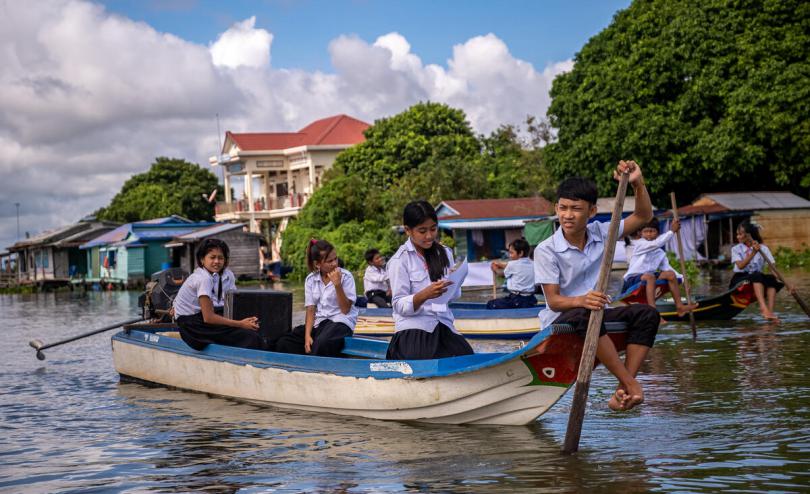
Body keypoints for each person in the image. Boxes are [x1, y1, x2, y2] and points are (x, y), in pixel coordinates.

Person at [534, 161, 660, 411]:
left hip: (595, 313)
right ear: (556, 208)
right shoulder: (546, 249)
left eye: (576, 209)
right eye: (563, 208)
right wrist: (582, 300)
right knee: (586, 312)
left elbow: (644, 216)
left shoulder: (604, 232)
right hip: (563, 321)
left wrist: (637, 183)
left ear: (591, 212)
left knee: (647, 314)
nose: (568, 215)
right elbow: (554, 301)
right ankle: (630, 383)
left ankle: (623, 388)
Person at [386, 200, 474, 360]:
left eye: (433, 229)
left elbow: (453, 297)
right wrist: (424, 295)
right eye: (422, 231)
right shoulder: (400, 260)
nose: (429, 236)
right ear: (408, 230)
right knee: (424, 357)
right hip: (414, 328)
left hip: (443, 324)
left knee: (467, 357)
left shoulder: (445, 253)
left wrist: (455, 281)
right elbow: (398, 305)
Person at [173, 238, 270, 351]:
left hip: (202, 318)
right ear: (202, 260)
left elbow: (232, 303)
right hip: (193, 326)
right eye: (212, 257)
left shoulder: (227, 275)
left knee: (253, 323)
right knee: (249, 337)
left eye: (220, 258)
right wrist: (240, 324)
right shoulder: (203, 279)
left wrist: (244, 320)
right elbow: (208, 318)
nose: (217, 261)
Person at [275, 239, 358, 357]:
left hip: (341, 322)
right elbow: (310, 310)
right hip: (319, 323)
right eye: (330, 261)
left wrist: (338, 285)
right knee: (284, 342)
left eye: (336, 259)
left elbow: (345, 310)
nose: (335, 263)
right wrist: (307, 336)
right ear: (318, 264)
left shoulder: (346, 276)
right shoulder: (311, 279)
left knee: (322, 343)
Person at [621, 218, 698, 318]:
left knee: (670, 274)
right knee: (650, 277)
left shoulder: (659, 252)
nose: (649, 234)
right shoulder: (640, 244)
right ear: (641, 233)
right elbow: (657, 243)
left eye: (652, 231)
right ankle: (653, 311)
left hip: (648, 276)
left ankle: (679, 306)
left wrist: (684, 280)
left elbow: (667, 267)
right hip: (632, 279)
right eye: (646, 231)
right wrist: (672, 231)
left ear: (657, 233)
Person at [730, 222, 793, 322]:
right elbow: (741, 266)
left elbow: (774, 271)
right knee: (757, 275)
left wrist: (788, 285)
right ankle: (763, 308)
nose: (738, 237)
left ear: (749, 235)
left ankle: (770, 312)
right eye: (737, 234)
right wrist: (753, 253)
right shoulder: (735, 249)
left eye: (740, 234)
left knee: (772, 279)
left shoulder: (763, 249)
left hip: (755, 278)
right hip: (740, 279)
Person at [487, 238, 537, 309]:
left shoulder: (512, 264)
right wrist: (500, 264)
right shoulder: (533, 263)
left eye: (511, 253)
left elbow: (501, 274)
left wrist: (495, 268)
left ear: (520, 253)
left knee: (490, 304)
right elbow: (516, 267)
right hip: (530, 299)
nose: (510, 255)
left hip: (517, 299)